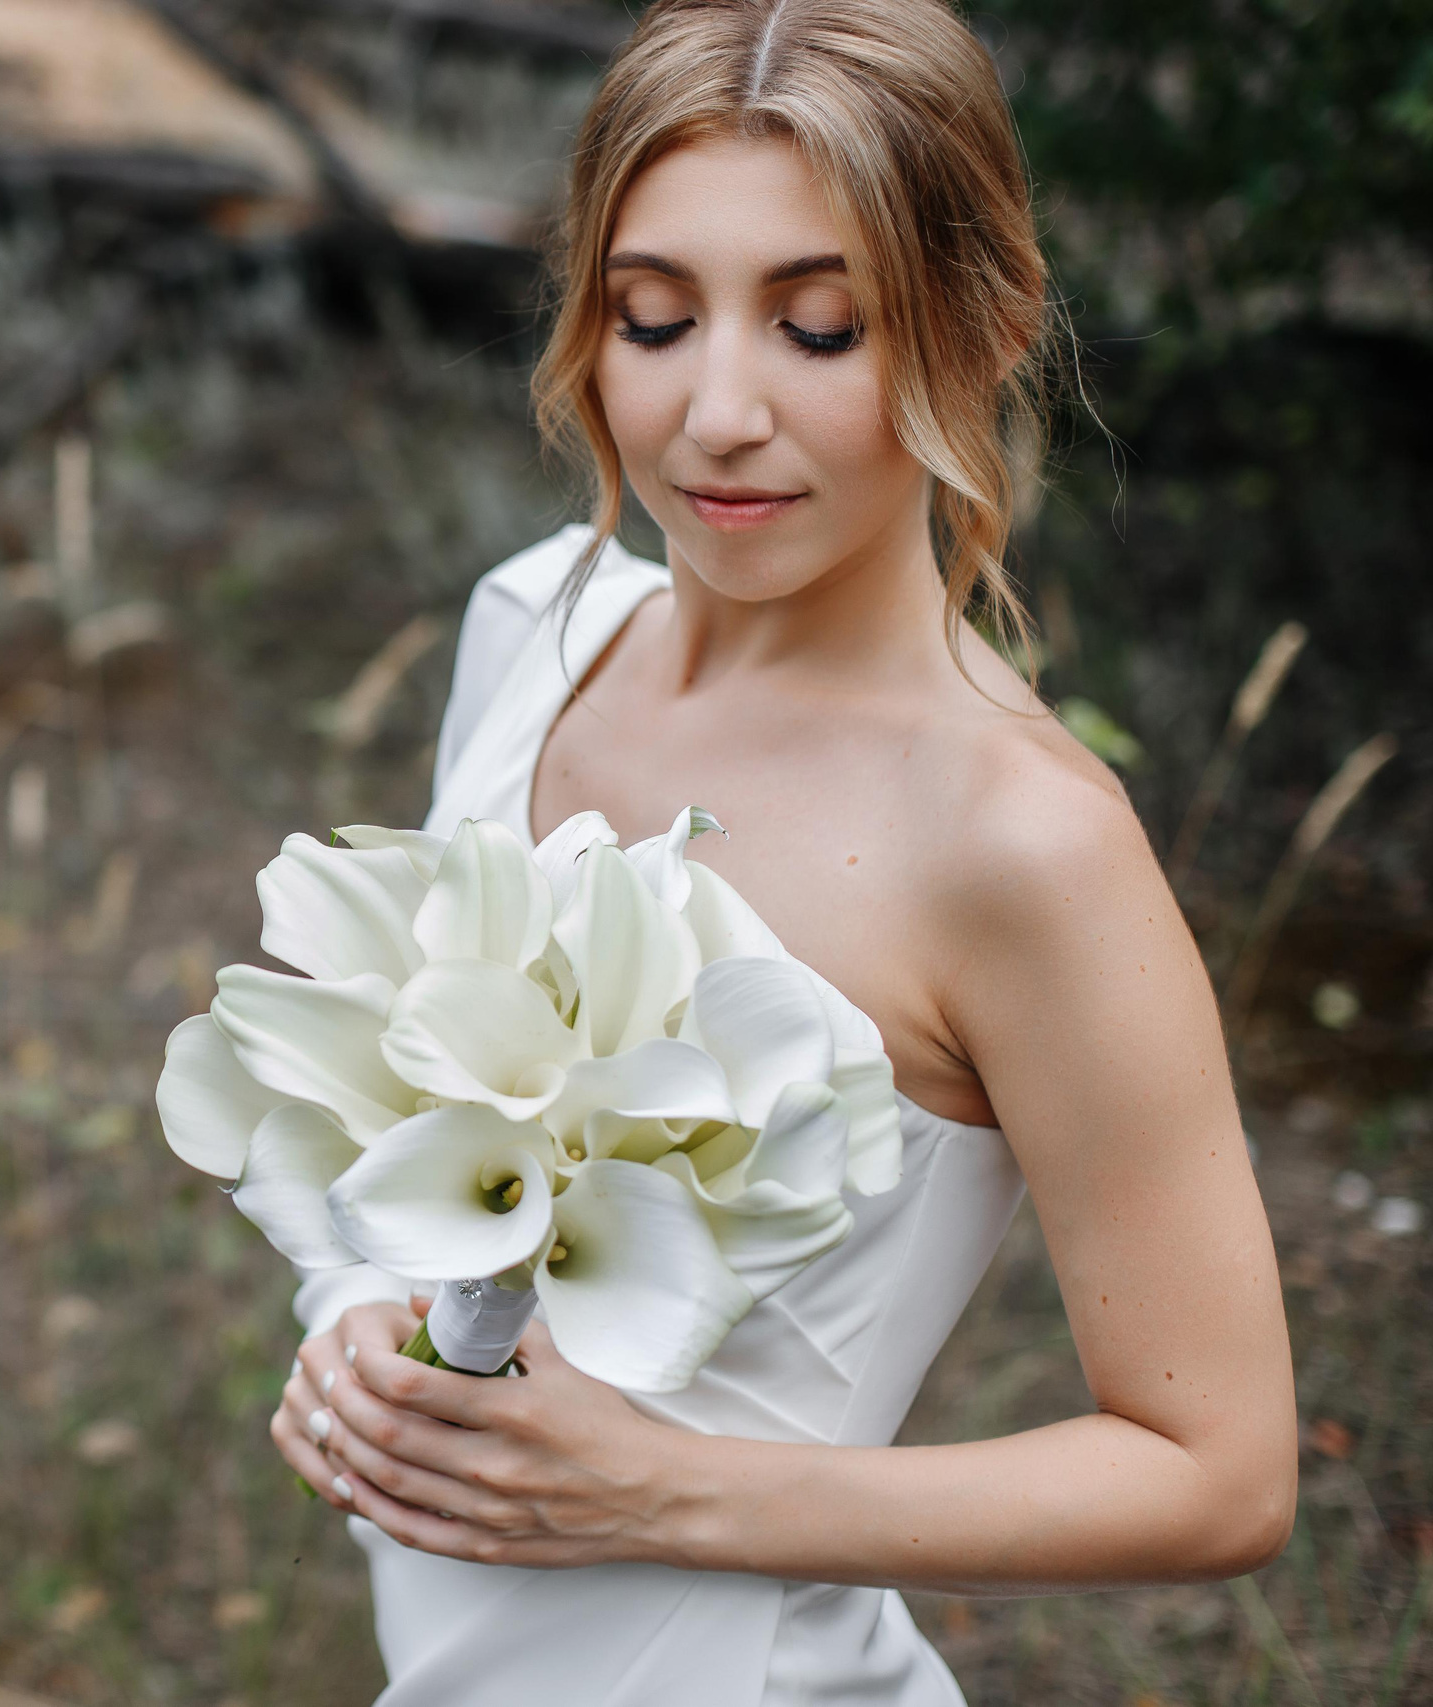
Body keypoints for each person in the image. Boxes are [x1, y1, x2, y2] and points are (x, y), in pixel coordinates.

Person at [266, 2, 1299, 1701]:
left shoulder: (1022, 847)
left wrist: (673, 1494)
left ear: (983, 329)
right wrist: (351, 1333)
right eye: (652, 319)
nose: (716, 413)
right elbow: (422, 1145)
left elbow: (1222, 1473)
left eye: (820, 330)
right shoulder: (537, 625)